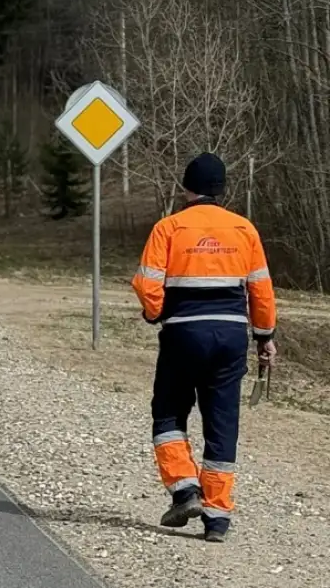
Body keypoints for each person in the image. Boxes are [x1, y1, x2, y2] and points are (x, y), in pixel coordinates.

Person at [131, 151, 277, 542]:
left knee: (168, 413)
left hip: (183, 334)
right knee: (222, 425)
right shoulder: (244, 230)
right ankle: (217, 519)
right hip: (231, 336)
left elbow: (147, 284)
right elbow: (261, 291)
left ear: (186, 188)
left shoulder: (169, 228)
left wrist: (155, 313)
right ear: (222, 188)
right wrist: (265, 337)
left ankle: (184, 489)